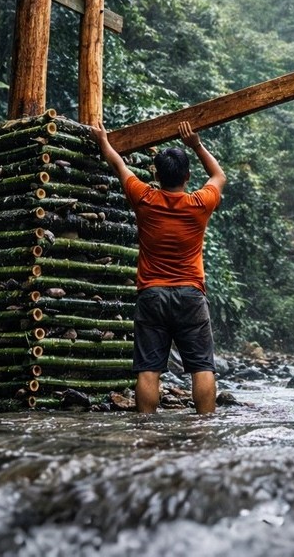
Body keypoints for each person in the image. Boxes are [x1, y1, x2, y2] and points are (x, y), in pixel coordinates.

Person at [89, 120, 226, 414]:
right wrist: (197, 145)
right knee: (202, 366)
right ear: (188, 176)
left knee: (149, 369)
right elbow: (218, 175)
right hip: (190, 294)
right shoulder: (200, 203)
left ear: (156, 174)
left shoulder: (145, 198)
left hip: (152, 295)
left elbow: (119, 165)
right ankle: (204, 429)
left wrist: (103, 141)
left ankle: (146, 429)